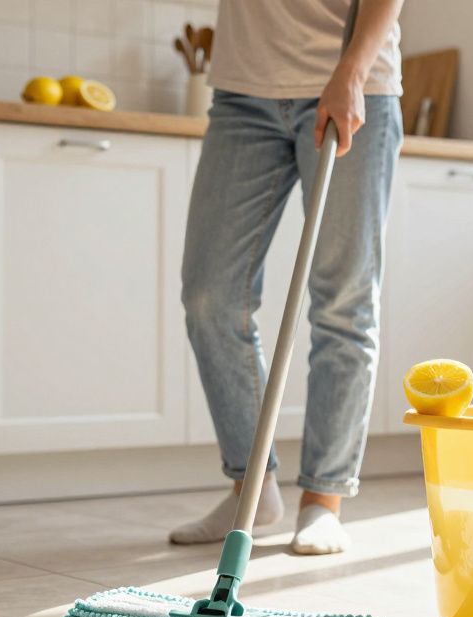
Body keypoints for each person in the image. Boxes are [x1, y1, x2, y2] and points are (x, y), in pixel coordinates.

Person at [169, 0, 405, 555]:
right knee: (210, 296)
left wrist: (352, 70)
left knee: (342, 299)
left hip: (353, 85)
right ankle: (251, 487)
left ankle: (323, 501)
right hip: (241, 92)